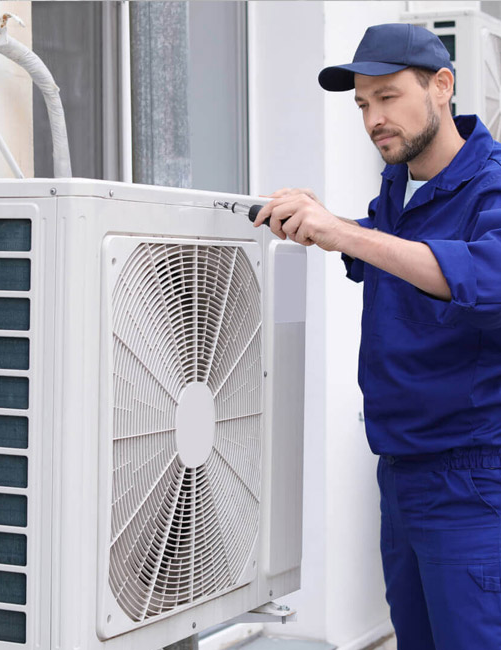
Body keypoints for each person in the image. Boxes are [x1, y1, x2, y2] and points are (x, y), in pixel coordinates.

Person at [253, 23, 501, 647]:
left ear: (441, 86)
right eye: (363, 103)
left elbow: (481, 274)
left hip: (472, 476)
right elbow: (389, 254)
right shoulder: (401, 182)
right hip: (400, 467)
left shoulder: (490, 183)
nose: (373, 119)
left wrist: (344, 234)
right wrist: (321, 219)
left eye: (388, 97)